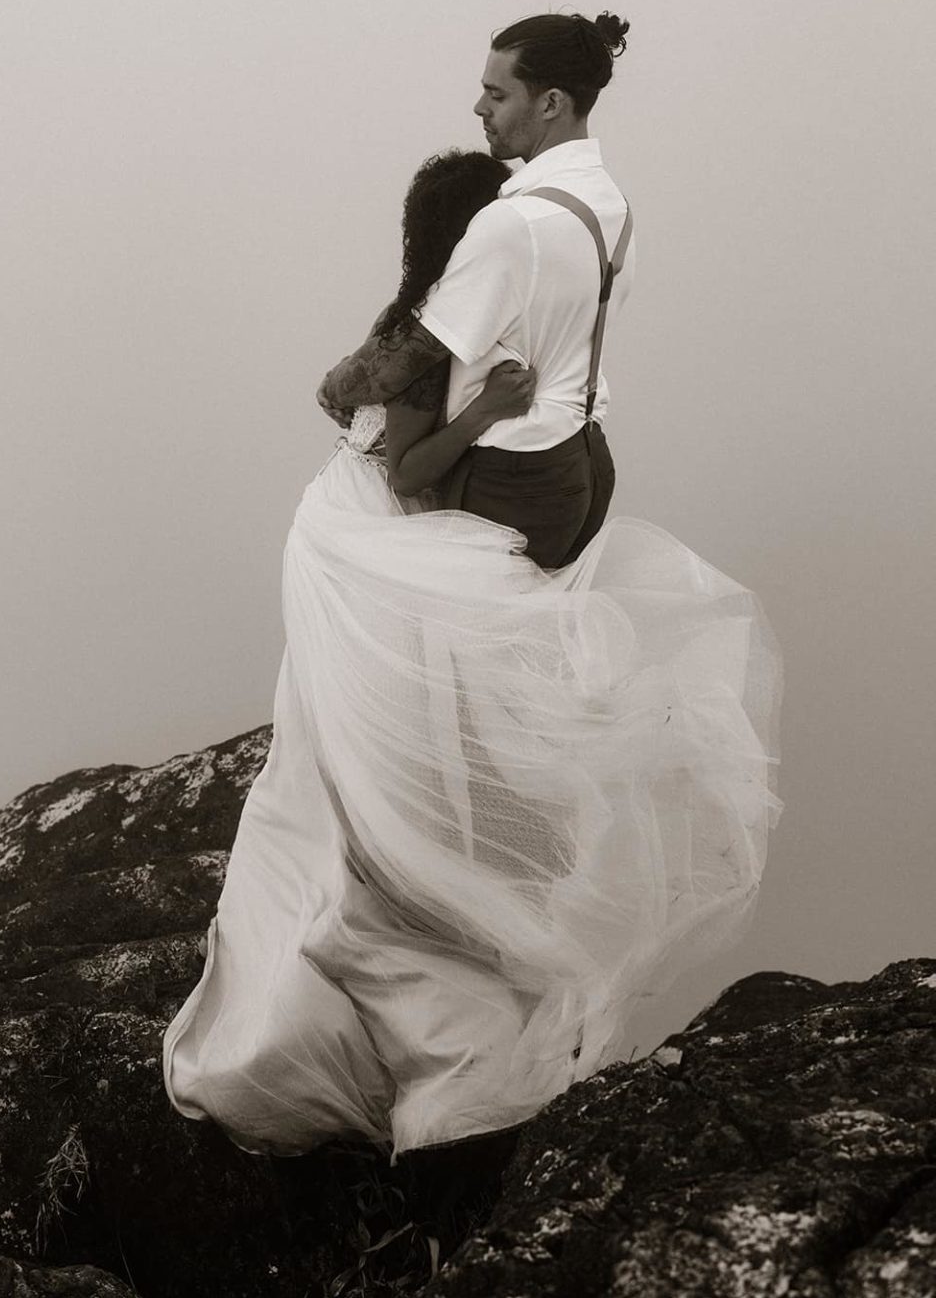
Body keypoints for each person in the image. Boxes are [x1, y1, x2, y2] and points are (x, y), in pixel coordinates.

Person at [161, 138, 784, 1162]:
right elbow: (408, 473)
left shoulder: (468, 304)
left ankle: (414, 913)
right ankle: (364, 959)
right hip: (363, 544)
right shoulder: (426, 333)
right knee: (371, 762)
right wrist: (492, 410)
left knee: (395, 750)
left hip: (371, 542)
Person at [317, 10, 636, 569]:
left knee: (469, 654)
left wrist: (333, 391)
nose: (479, 109)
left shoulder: (513, 222)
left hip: (513, 473)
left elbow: (407, 359)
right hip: (584, 462)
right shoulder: (613, 206)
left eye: (497, 94)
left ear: (551, 103)